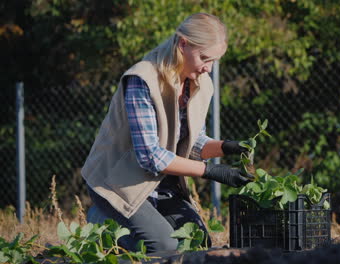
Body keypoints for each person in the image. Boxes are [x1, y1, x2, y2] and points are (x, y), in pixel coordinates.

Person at [81, 13, 253, 253]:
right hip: (119, 182)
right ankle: (102, 223)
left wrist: (226, 147)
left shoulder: (201, 82)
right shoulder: (142, 80)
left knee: (197, 243)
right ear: (183, 44)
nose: (208, 68)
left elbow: (193, 143)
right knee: (163, 246)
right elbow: (150, 156)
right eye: (204, 58)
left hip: (160, 183)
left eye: (214, 61)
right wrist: (211, 171)